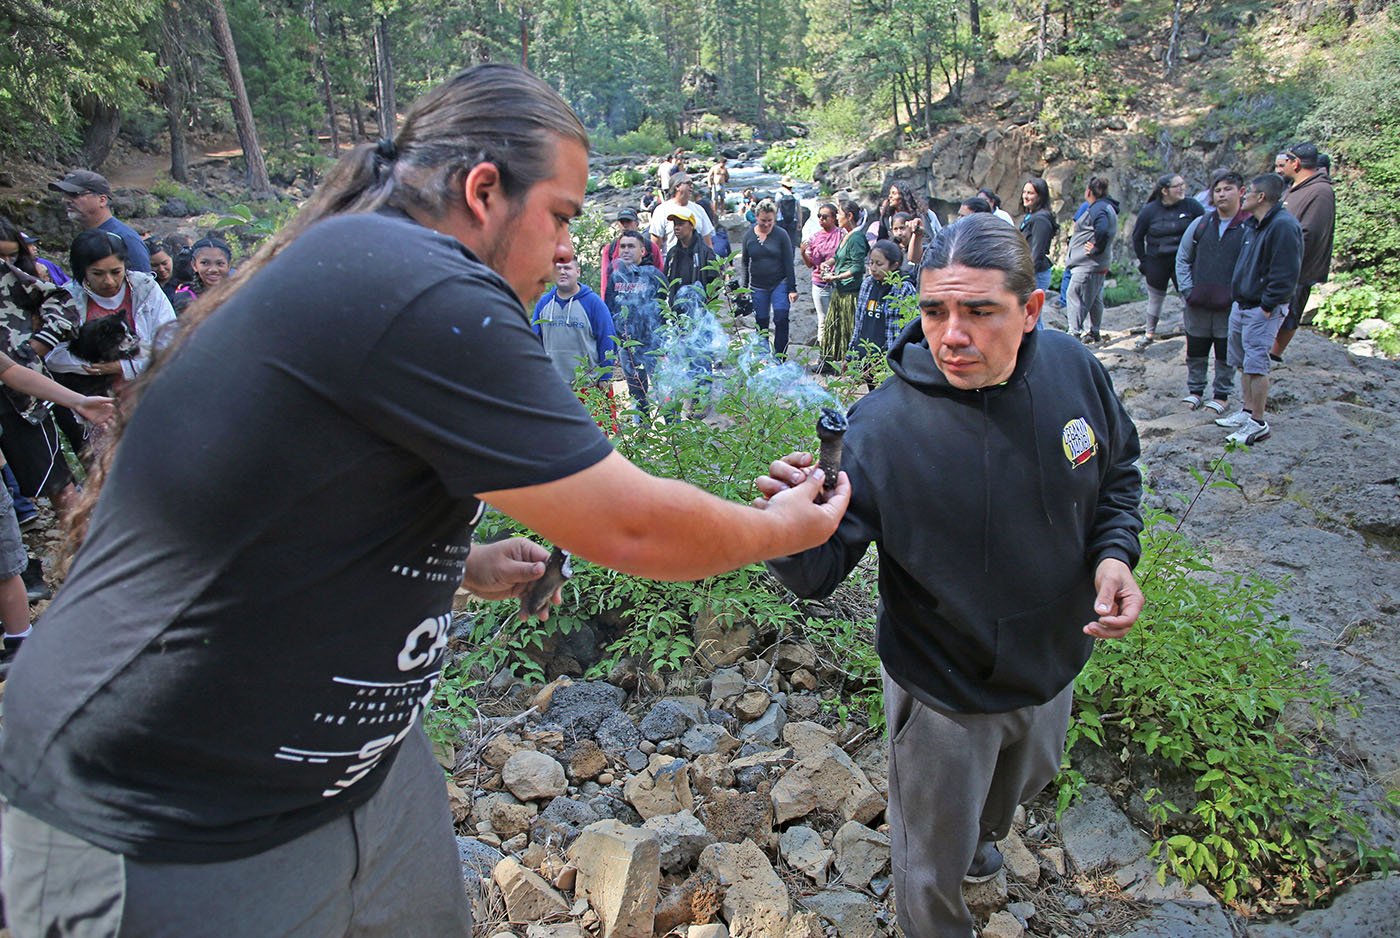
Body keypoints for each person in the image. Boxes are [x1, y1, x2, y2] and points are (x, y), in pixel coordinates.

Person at [0, 64, 849, 938]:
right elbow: (630, 523)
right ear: (484, 191)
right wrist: (783, 528)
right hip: (166, 800)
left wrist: (461, 565)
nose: (569, 249)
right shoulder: (419, 280)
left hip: (350, 772)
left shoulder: (379, 272)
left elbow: (300, 506)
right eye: (560, 216)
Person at [758, 212, 1143, 938]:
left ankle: (983, 837)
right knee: (929, 871)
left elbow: (1118, 473)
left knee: (1018, 790)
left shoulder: (1075, 371)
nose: (952, 335)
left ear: (1030, 311)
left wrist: (1114, 556)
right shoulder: (883, 428)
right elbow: (817, 576)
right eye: (935, 310)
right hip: (942, 691)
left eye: (979, 311)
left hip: (1054, 663)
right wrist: (785, 528)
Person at [39, 230, 178, 456]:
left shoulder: (146, 289)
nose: (109, 281)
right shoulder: (66, 300)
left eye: (116, 272)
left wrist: (124, 367)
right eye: (98, 273)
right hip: (97, 406)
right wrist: (93, 366)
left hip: (147, 396)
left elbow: (170, 344)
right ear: (82, 271)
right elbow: (52, 355)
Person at [1214, 173, 1303, 446]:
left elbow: (1287, 272)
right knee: (1242, 362)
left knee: (1256, 364)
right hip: (1242, 303)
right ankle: (1246, 412)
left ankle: (1258, 422)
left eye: (1248, 192)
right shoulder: (1254, 225)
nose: (1244, 196)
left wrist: (1267, 305)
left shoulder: (1283, 226)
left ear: (1261, 197)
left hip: (1261, 308)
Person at [0, 218, 79, 517]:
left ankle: (82, 552)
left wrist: (39, 343)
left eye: (10, 256)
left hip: (21, 396)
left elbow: (61, 300)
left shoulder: (12, 277)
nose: (5, 263)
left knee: (57, 482)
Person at [1175, 170, 1248, 414]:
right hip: (1198, 300)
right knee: (1196, 347)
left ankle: (1221, 395)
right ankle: (1195, 391)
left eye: (1228, 189)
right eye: (1217, 190)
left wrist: (1242, 296)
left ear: (1241, 192)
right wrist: (1187, 289)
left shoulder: (1248, 227)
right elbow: (1183, 258)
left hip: (1230, 304)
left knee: (1225, 349)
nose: (1222, 194)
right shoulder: (1202, 224)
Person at [1271, 142, 1335, 361]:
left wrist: (1287, 261)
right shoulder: (1297, 186)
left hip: (1298, 267)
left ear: (1295, 163)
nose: (1282, 167)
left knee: (1290, 311)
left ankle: (1274, 354)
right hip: (1280, 263)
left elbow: (1310, 234)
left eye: (1285, 161)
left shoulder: (1321, 191)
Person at [1131, 172, 1204, 346]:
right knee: (1155, 298)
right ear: (1165, 191)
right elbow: (1137, 237)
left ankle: (1194, 331)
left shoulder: (1191, 206)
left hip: (1185, 261)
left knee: (1188, 296)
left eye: (1183, 184)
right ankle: (1149, 334)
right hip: (1157, 261)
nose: (1182, 189)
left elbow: (1206, 226)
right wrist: (1144, 262)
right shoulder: (1150, 211)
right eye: (1177, 186)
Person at [605, 230, 669, 420]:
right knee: (637, 395)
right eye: (622, 246)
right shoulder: (615, 277)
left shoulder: (654, 276)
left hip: (653, 345)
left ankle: (676, 436)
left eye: (631, 246)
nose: (626, 250)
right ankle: (642, 436)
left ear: (642, 251)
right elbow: (609, 309)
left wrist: (664, 344)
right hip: (627, 347)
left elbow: (666, 310)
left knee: (664, 391)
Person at [531, 257, 616, 389]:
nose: (563, 272)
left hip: (588, 386)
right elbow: (534, 342)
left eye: (567, 268)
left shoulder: (594, 303)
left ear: (578, 271)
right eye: (558, 268)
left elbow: (607, 339)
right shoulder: (543, 303)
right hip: (552, 386)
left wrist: (605, 376)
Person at [48, 170, 151, 273]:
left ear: (102, 200)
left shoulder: (125, 239)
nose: (65, 200)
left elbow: (144, 285)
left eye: (74, 194)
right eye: (64, 195)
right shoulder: (86, 236)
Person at [848, 239, 915, 389]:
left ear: (894, 265)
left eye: (879, 264)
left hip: (887, 359)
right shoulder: (867, 284)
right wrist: (852, 352)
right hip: (867, 356)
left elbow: (907, 328)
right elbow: (859, 321)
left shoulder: (903, 289)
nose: (873, 268)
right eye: (871, 263)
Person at [738, 200, 797, 359]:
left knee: (781, 318)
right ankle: (762, 356)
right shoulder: (749, 236)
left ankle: (780, 357)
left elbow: (788, 262)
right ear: (756, 217)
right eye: (763, 220)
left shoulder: (781, 235)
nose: (766, 224)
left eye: (770, 221)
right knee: (761, 321)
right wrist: (743, 288)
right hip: (758, 286)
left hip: (779, 283)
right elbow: (744, 262)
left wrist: (792, 288)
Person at [1064, 177, 1120, 344]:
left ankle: (1074, 334)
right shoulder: (1107, 207)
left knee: (1074, 294)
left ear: (1088, 191)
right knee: (1094, 298)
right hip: (1095, 264)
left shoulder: (1098, 208)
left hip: (1088, 264)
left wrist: (1096, 248)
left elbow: (1102, 229)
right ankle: (1094, 331)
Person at [818, 199, 870, 367]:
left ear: (849, 216)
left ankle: (851, 366)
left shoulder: (856, 238)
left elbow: (857, 268)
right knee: (833, 329)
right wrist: (829, 263)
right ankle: (829, 363)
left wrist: (835, 278)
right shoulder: (847, 235)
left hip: (850, 294)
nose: (837, 217)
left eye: (839, 214)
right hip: (841, 292)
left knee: (849, 330)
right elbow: (840, 257)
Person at [800, 202, 843, 342]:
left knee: (839, 319)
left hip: (838, 282)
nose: (821, 219)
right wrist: (803, 253)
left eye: (825, 216)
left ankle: (838, 352)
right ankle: (824, 355)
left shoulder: (842, 235)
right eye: (819, 216)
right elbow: (810, 264)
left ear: (834, 218)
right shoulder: (815, 237)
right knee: (823, 320)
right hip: (819, 283)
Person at [600, 208, 663, 300]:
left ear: (637, 224)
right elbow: (605, 280)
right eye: (622, 222)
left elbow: (660, 274)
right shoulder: (610, 249)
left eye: (628, 221)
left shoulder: (651, 247)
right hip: (620, 300)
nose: (625, 225)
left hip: (647, 300)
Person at [649, 177, 714, 254]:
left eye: (692, 184)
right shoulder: (662, 210)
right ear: (677, 186)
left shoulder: (699, 209)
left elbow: (707, 242)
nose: (692, 186)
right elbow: (655, 244)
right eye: (688, 183)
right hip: (672, 260)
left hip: (697, 260)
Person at [1019, 178, 1059, 301]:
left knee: (1032, 317)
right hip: (1030, 271)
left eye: (1030, 193)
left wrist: (1025, 276)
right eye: (1024, 192)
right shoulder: (1031, 215)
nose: (1025, 196)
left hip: (1035, 274)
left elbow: (1037, 252)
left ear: (1040, 196)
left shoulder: (1040, 220)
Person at [173, 235, 233, 305]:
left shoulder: (238, 294)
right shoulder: (185, 298)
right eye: (205, 263)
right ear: (194, 265)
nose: (213, 269)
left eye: (220, 263)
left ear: (228, 266)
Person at [776, 176, 802, 252]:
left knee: (780, 240)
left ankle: (781, 259)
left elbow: (776, 207)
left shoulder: (779, 194)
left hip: (780, 220)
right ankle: (791, 259)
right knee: (791, 241)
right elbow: (799, 210)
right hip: (792, 220)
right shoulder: (795, 195)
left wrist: (773, 220)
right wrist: (799, 222)